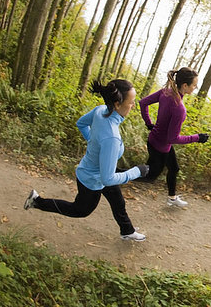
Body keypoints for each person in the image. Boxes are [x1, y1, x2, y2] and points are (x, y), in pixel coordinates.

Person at [24, 79, 149, 241]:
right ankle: (37, 201)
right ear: (117, 104)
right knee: (80, 210)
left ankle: (127, 230)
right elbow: (108, 178)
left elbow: (81, 124)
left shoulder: (101, 110)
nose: (133, 106)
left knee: (118, 201)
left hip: (101, 170)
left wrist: (93, 143)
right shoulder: (111, 137)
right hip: (91, 179)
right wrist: (136, 172)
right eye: (131, 102)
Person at [139, 67, 209, 207]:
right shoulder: (179, 108)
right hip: (161, 147)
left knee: (174, 168)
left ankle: (172, 198)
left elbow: (143, 103)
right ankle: (111, 174)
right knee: (149, 177)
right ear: (185, 85)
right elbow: (173, 138)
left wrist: (149, 124)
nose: (196, 88)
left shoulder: (166, 92)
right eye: (194, 85)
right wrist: (197, 137)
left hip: (156, 141)